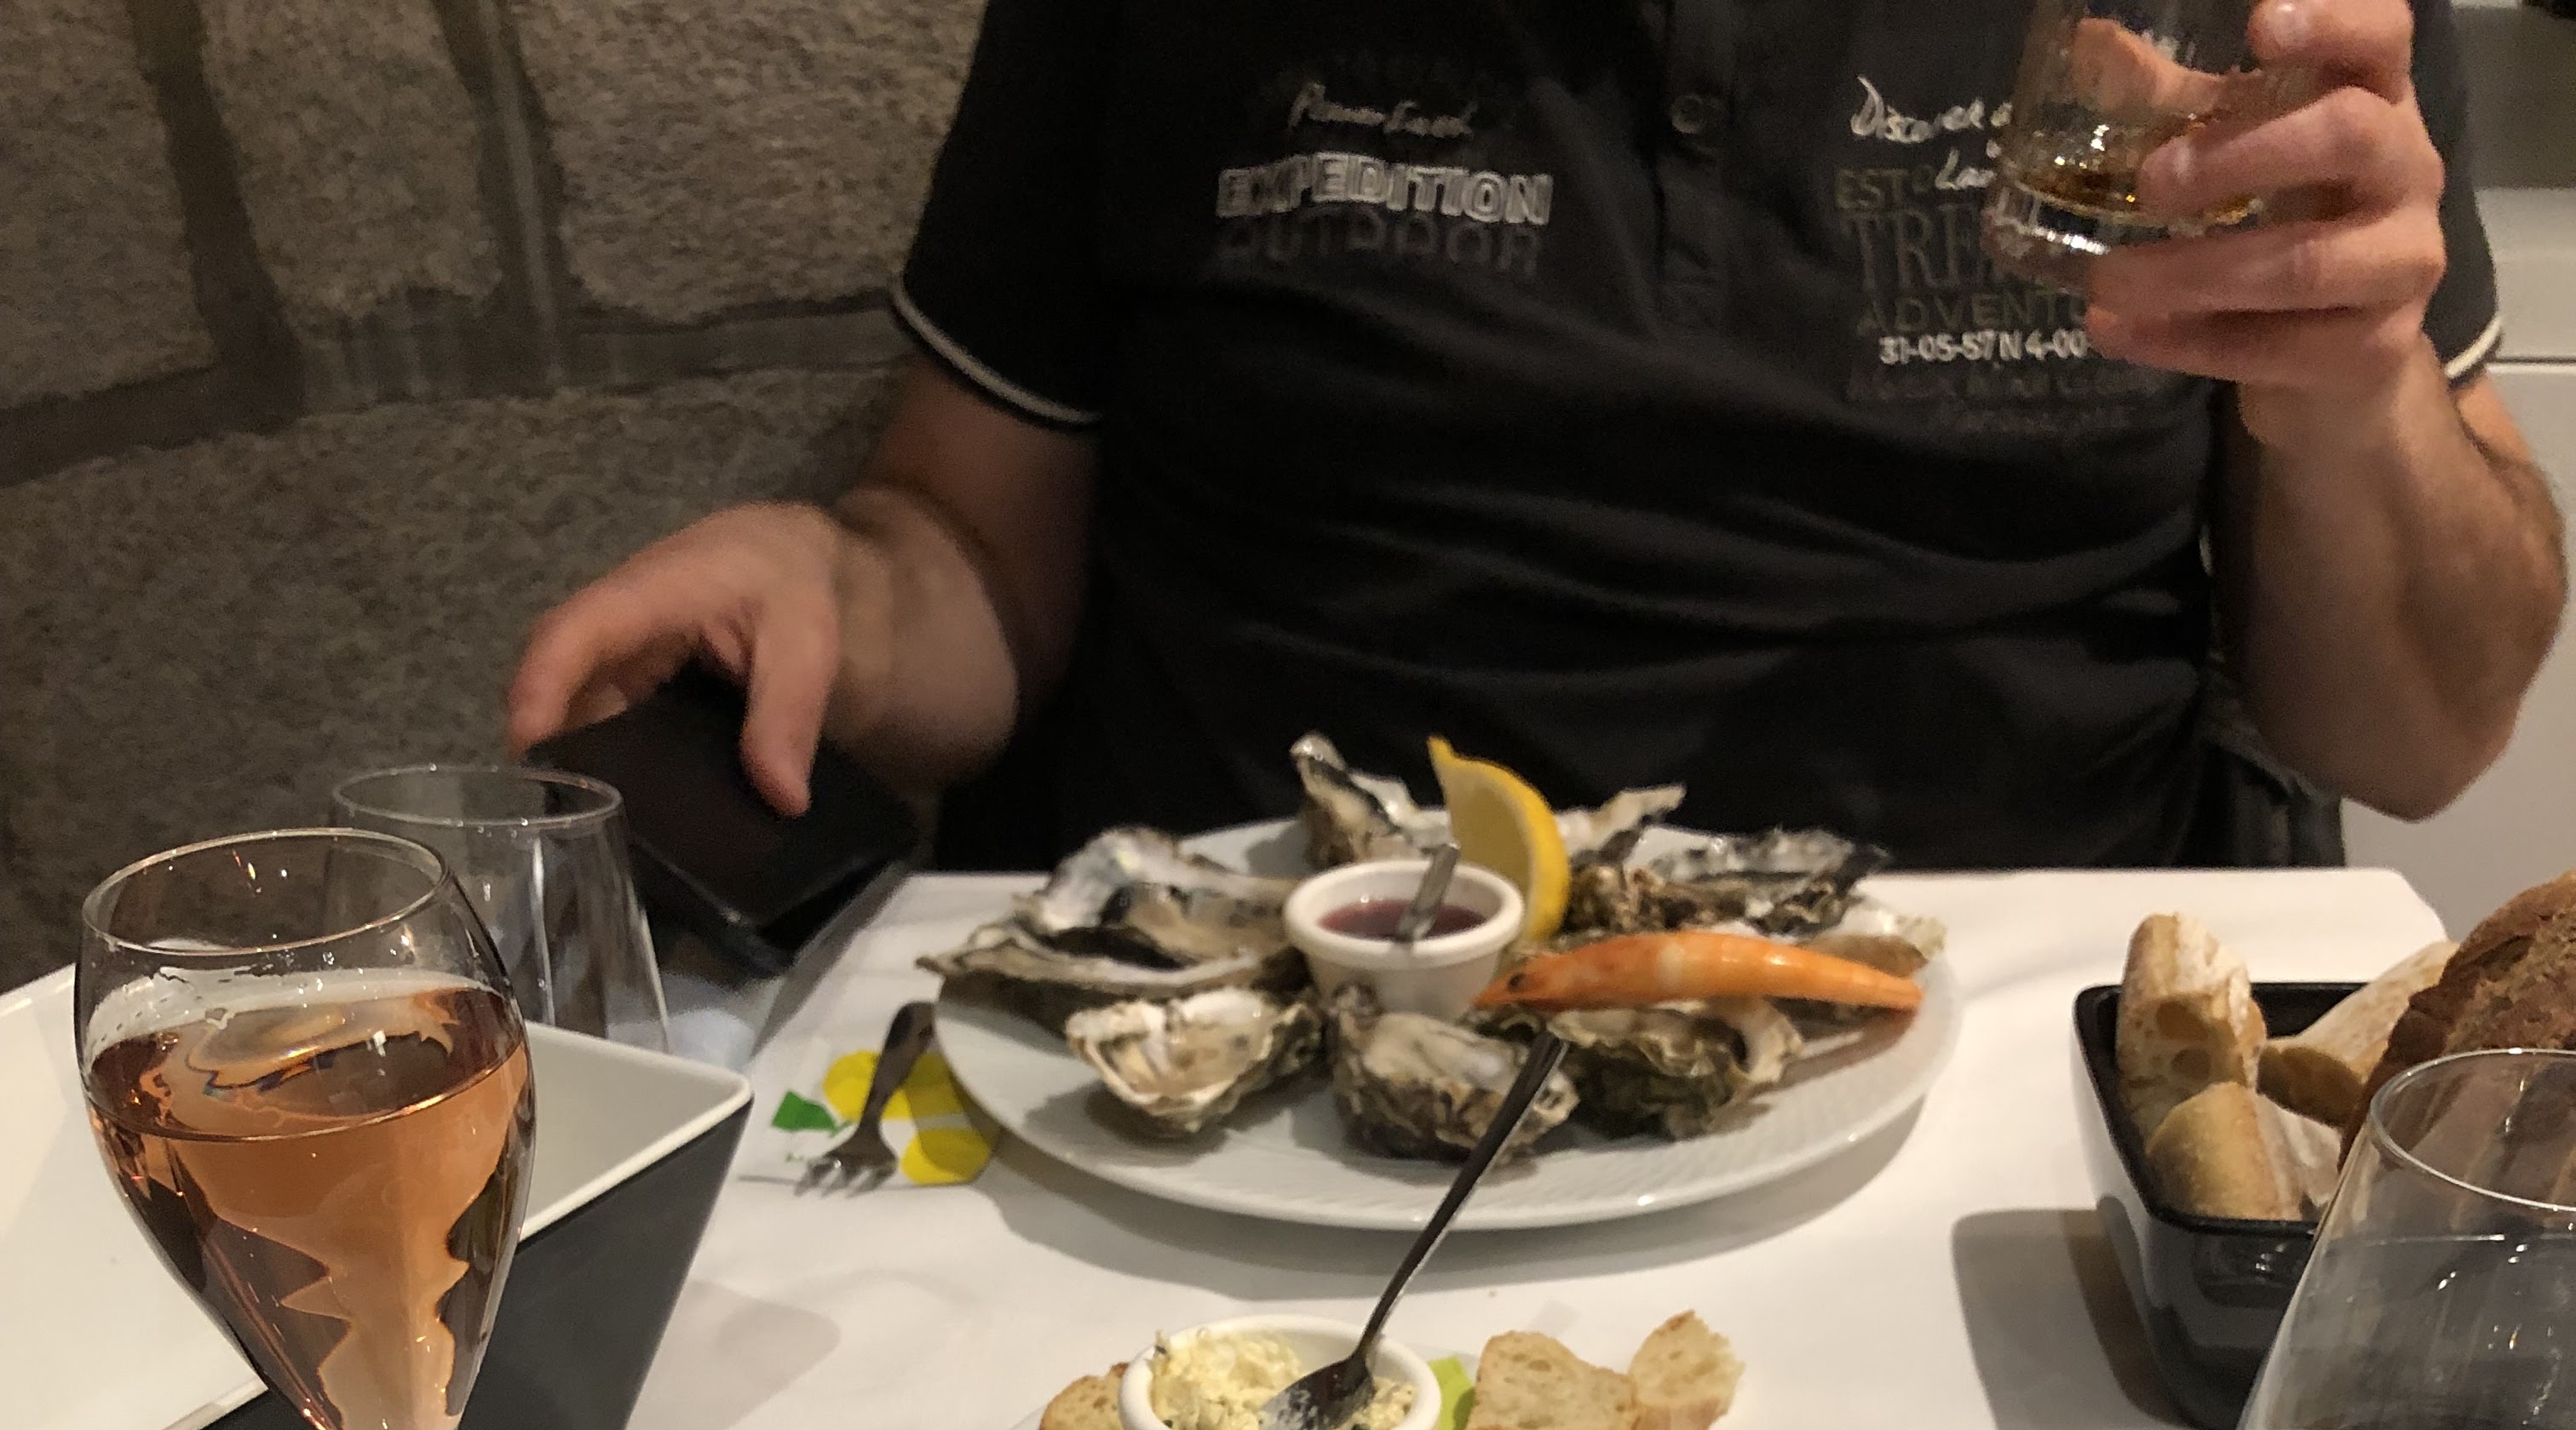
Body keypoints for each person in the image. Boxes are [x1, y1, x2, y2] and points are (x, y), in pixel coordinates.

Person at [509, 0, 2564, 872]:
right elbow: (970, 556)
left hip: (1995, 1075)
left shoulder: (2247, 22)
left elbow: (2421, 735)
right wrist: (835, 599)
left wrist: (2357, 392)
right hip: (1280, 1037)